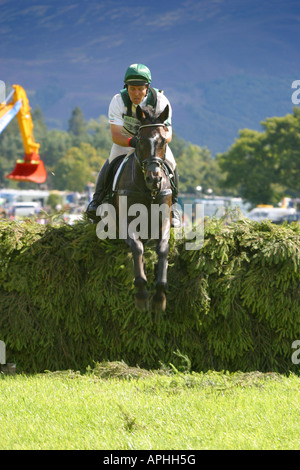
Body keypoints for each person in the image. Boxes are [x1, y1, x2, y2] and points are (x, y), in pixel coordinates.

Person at [86, 63, 180, 227]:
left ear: (147, 87)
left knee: (171, 163)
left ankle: (175, 207)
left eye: (140, 89)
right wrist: (134, 142)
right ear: (126, 87)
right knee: (111, 161)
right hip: (127, 141)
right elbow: (116, 135)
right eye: (132, 89)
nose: (136, 93)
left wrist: (156, 142)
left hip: (152, 145)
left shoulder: (160, 101)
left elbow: (169, 134)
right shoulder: (117, 101)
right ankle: (97, 201)